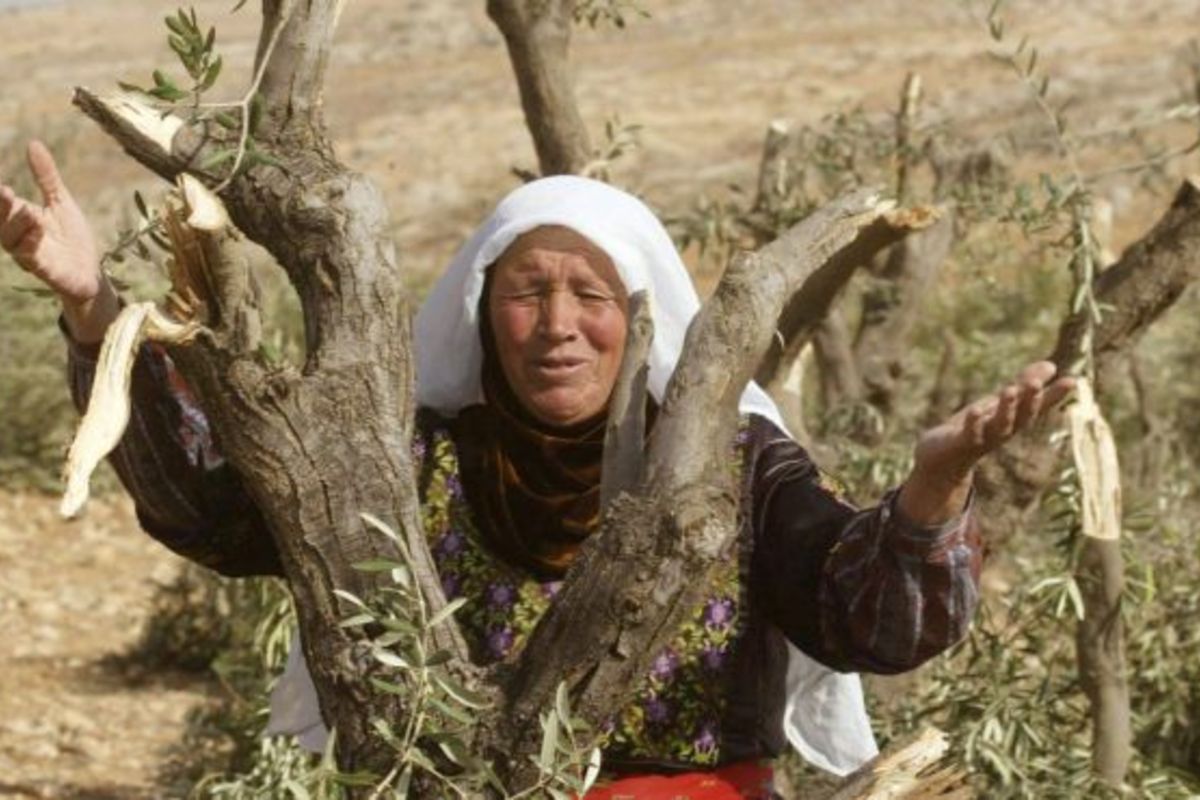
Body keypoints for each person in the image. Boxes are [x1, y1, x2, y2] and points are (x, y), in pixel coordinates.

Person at [1, 141, 1072, 798]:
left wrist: (933, 490)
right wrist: (95, 306)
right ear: (482, 311)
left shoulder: (730, 465)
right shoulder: (407, 461)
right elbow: (216, 512)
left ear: (638, 318)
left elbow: (865, 621)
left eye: (591, 295)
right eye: (527, 291)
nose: (558, 324)